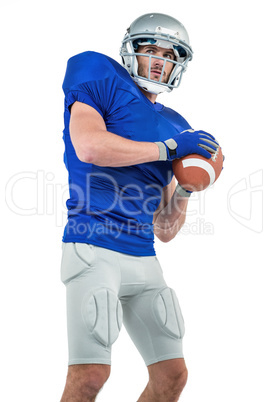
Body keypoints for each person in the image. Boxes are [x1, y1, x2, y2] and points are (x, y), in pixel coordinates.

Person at [60, 13, 219, 402]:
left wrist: (187, 189)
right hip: (92, 243)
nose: (160, 60)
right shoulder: (98, 74)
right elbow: (90, 146)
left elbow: (164, 229)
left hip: (142, 255)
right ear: (131, 52)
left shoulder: (177, 125)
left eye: (169, 54)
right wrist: (169, 150)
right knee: (91, 375)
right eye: (151, 50)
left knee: (173, 376)